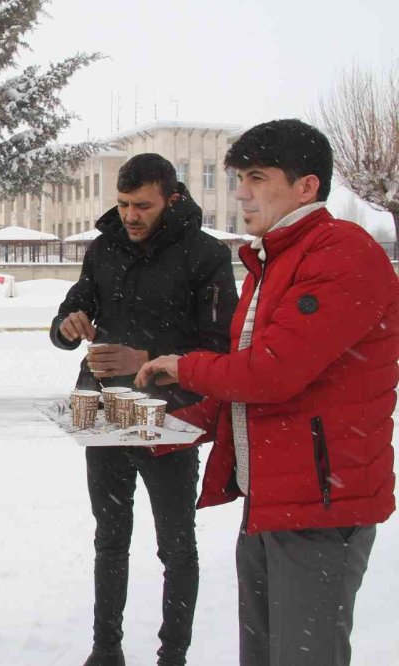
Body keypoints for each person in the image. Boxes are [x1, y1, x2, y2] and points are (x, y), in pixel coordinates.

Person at [136, 119, 398, 666]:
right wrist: (168, 425)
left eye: (256, 177)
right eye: (238, 177)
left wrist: (185, 366)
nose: (241, 191)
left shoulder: (340, 254)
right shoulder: (272, 260)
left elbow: (273, 373)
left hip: (322, 507)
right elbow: (254, 387)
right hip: (271, 502)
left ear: (306, 186)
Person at [50, 153, 238, 666]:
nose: (130, 216)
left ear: (171, 199)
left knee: (175, 547)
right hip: (105, 411)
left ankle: (171, 656)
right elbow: (72, 307)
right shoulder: (104, 247)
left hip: (170, 417)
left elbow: (218, 347)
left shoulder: (206, 256)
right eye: (123, 204)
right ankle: (105, 650)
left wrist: (147, 358)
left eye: (142, 206)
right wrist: (70, 323)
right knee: (109, 539)